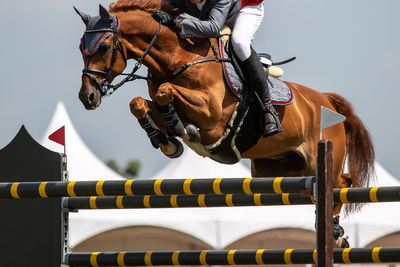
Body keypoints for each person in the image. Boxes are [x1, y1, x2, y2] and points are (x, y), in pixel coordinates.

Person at [153, 0, 282, 137]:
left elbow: (214, 28)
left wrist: (176, 21)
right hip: (216, 13)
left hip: (246, 8)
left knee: (239, 43)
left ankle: (268, 109)